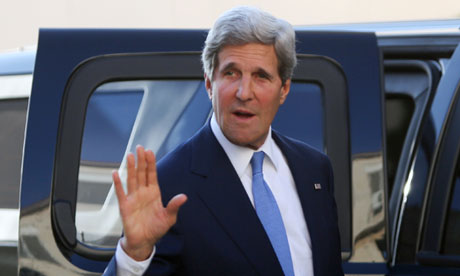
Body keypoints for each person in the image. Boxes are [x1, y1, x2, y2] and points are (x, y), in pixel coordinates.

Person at [104, 6, 343, 276]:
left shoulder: (314, 168)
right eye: (231, 73)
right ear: (209, 83)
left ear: (284, 89)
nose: (244, 92)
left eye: (261, 76)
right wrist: (134, 255)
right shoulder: (169, 183)